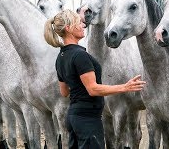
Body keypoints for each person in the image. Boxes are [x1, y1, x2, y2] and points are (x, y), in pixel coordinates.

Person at [44, 9, 146, 149]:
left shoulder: (61, 57)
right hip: (87, 121)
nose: (83, 26)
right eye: (79, 23)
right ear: (68, 28)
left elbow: (64, 92)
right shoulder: (80, 56)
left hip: (73, 118)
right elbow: (92, 89)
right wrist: (124, 87)